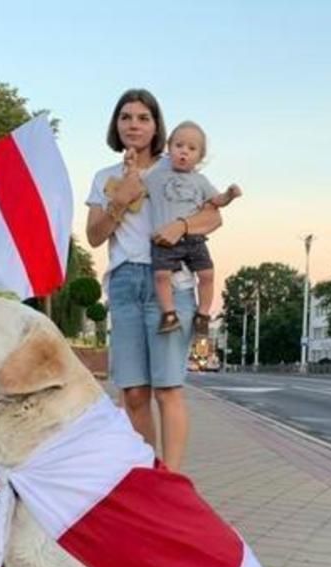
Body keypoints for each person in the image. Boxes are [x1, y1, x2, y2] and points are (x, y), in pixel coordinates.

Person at [85, 89, 223, 472]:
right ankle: (148, 472)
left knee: (167, 389)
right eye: (126, 117)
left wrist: (181, 225)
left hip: (170, 283)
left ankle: (172, 480)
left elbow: (213, 217)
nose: (134, 124)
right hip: (126, 283)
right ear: (116, 124)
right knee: (133, 392)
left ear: (156, 125)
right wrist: (119, 199)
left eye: (143, 118)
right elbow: (95, 236)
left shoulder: (176, 167)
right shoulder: (104, 177)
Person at [145, 121, 241, 335]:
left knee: (206, 274)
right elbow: (136, 187)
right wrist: (131, 169)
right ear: (169, 148)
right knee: (161, 276)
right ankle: (169, 314)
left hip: (193, 237)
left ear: (200, 157)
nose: (184, 152)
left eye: (191, 148)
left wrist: (230, 195)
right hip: (165, 239)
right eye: (179, 146)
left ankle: (203, 313)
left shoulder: (201, 181)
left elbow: (217, 201)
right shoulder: (155, 177)